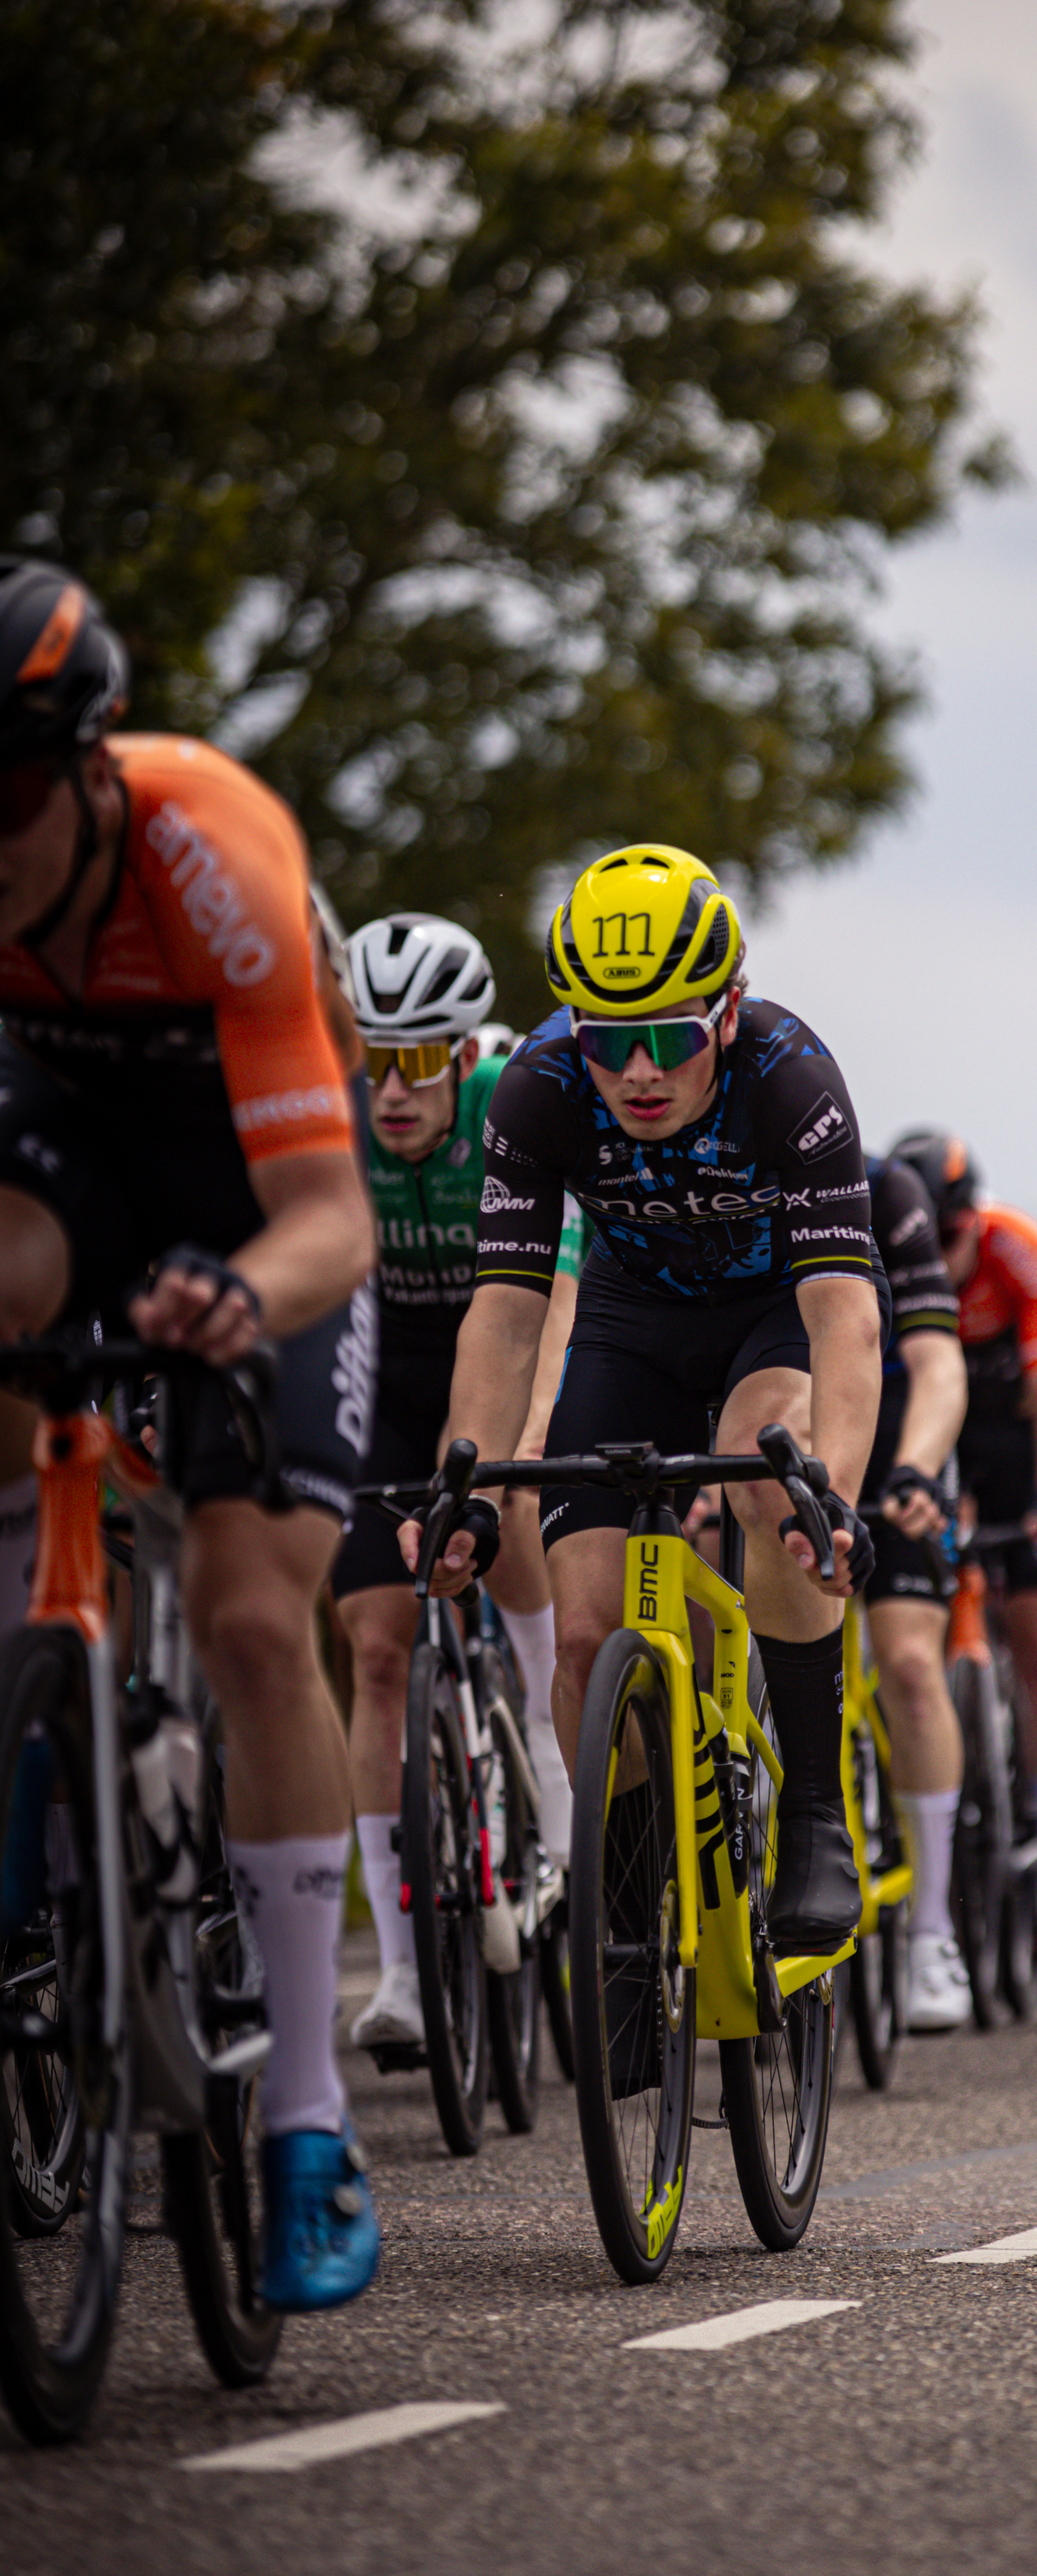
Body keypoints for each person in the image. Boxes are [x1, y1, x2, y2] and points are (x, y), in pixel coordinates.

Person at [0, 558, 380, 2309]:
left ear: (88, 772)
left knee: (246, 1616)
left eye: (6, 798)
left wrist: (242, 1298)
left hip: (251, 1195)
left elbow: (329, 1212)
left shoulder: (209, 851)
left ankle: (305, 2116)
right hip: (66, 1152)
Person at [401, 844, 883, 1954]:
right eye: (607, 1041)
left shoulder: (791, 1077)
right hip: (635, 1321)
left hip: (775, 1309)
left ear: (727, 1010)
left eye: (669, 1035)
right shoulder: (537, 1089)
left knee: (769, 1479)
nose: (637, 1072)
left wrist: (835, 1499)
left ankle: (812, 1814)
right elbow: (508, 1314)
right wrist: (465, 1485)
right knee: (582, 1631)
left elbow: (843, 1319)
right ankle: (622, 1918)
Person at [330, 914, 582, 2053]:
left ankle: (540, 1724)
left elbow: (554, 1303)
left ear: (463, 1052)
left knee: (517, 1493)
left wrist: (515, 1448)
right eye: (376, 1056)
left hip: (506, 1337)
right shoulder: (335, 1122)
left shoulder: (514, 1102)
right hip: (381, 1367)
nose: (395, 1086)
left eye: (421, 1057)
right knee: (377, 1649)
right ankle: (395, 1969)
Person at [889, 1134, 1037, 1944]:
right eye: (923, 1242)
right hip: (939, 1438)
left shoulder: (1013, 1250)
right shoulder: (883, 1253)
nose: (937, 1256)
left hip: (1021, 1439)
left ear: (968, 1222)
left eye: (948, 1238)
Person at [858, 1153, 971, 2031]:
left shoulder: (883, 1194)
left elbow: (938, 1363)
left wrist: (916, 1472)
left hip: (899, 1437)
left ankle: (932, 1929)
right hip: (787, 1423)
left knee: (905, 1657)